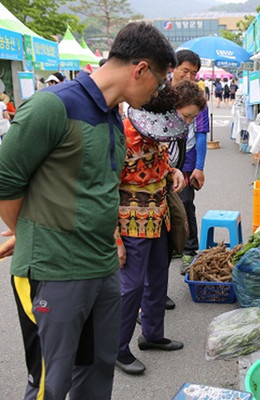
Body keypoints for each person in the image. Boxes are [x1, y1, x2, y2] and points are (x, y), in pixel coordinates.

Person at [0, 21, 176, 399]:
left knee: (96, 373)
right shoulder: (53, 106)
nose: (156, 92)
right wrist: (30, 233)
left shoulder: (113, 115)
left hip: (101, 268)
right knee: (51, 381)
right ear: (140, 68)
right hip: (55, 271)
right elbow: (5, 180)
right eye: (158, 82)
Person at [115, 80, 205, 375]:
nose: (189, 122)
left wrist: (174, 171)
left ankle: (152, 335)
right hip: (131, 224)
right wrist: (114, 237)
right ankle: (117, 349)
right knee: (131, 287)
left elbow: (160, 165)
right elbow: (106, 186)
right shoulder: (125, 132)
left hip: (159, 218)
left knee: (157, 279)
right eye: (188, 116)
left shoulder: (158, 131)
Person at [169, 50, 209, 273]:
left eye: (193, 73)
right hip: (163, 161)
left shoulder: (197, 97)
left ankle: (188, 251)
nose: (189, 76)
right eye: (185, 70)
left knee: (185, 204)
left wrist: (199, 167)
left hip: (187, 161)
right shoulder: (161, 94)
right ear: (173, 68)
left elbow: (201, 133)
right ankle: (173, 246)